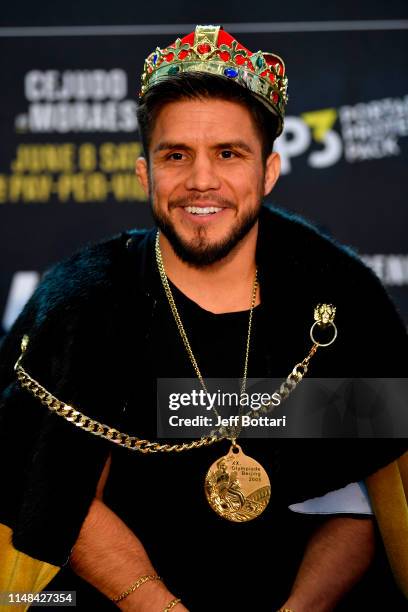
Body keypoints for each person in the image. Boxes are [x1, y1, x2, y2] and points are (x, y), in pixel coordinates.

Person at [0, 25, 407, 612]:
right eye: (176, 155)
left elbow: (356, 502)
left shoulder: (337, 302)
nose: (201, 181)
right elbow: (60, 495)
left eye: (228, 153)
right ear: (146, 174)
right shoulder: (84, 306)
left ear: (268, 171)